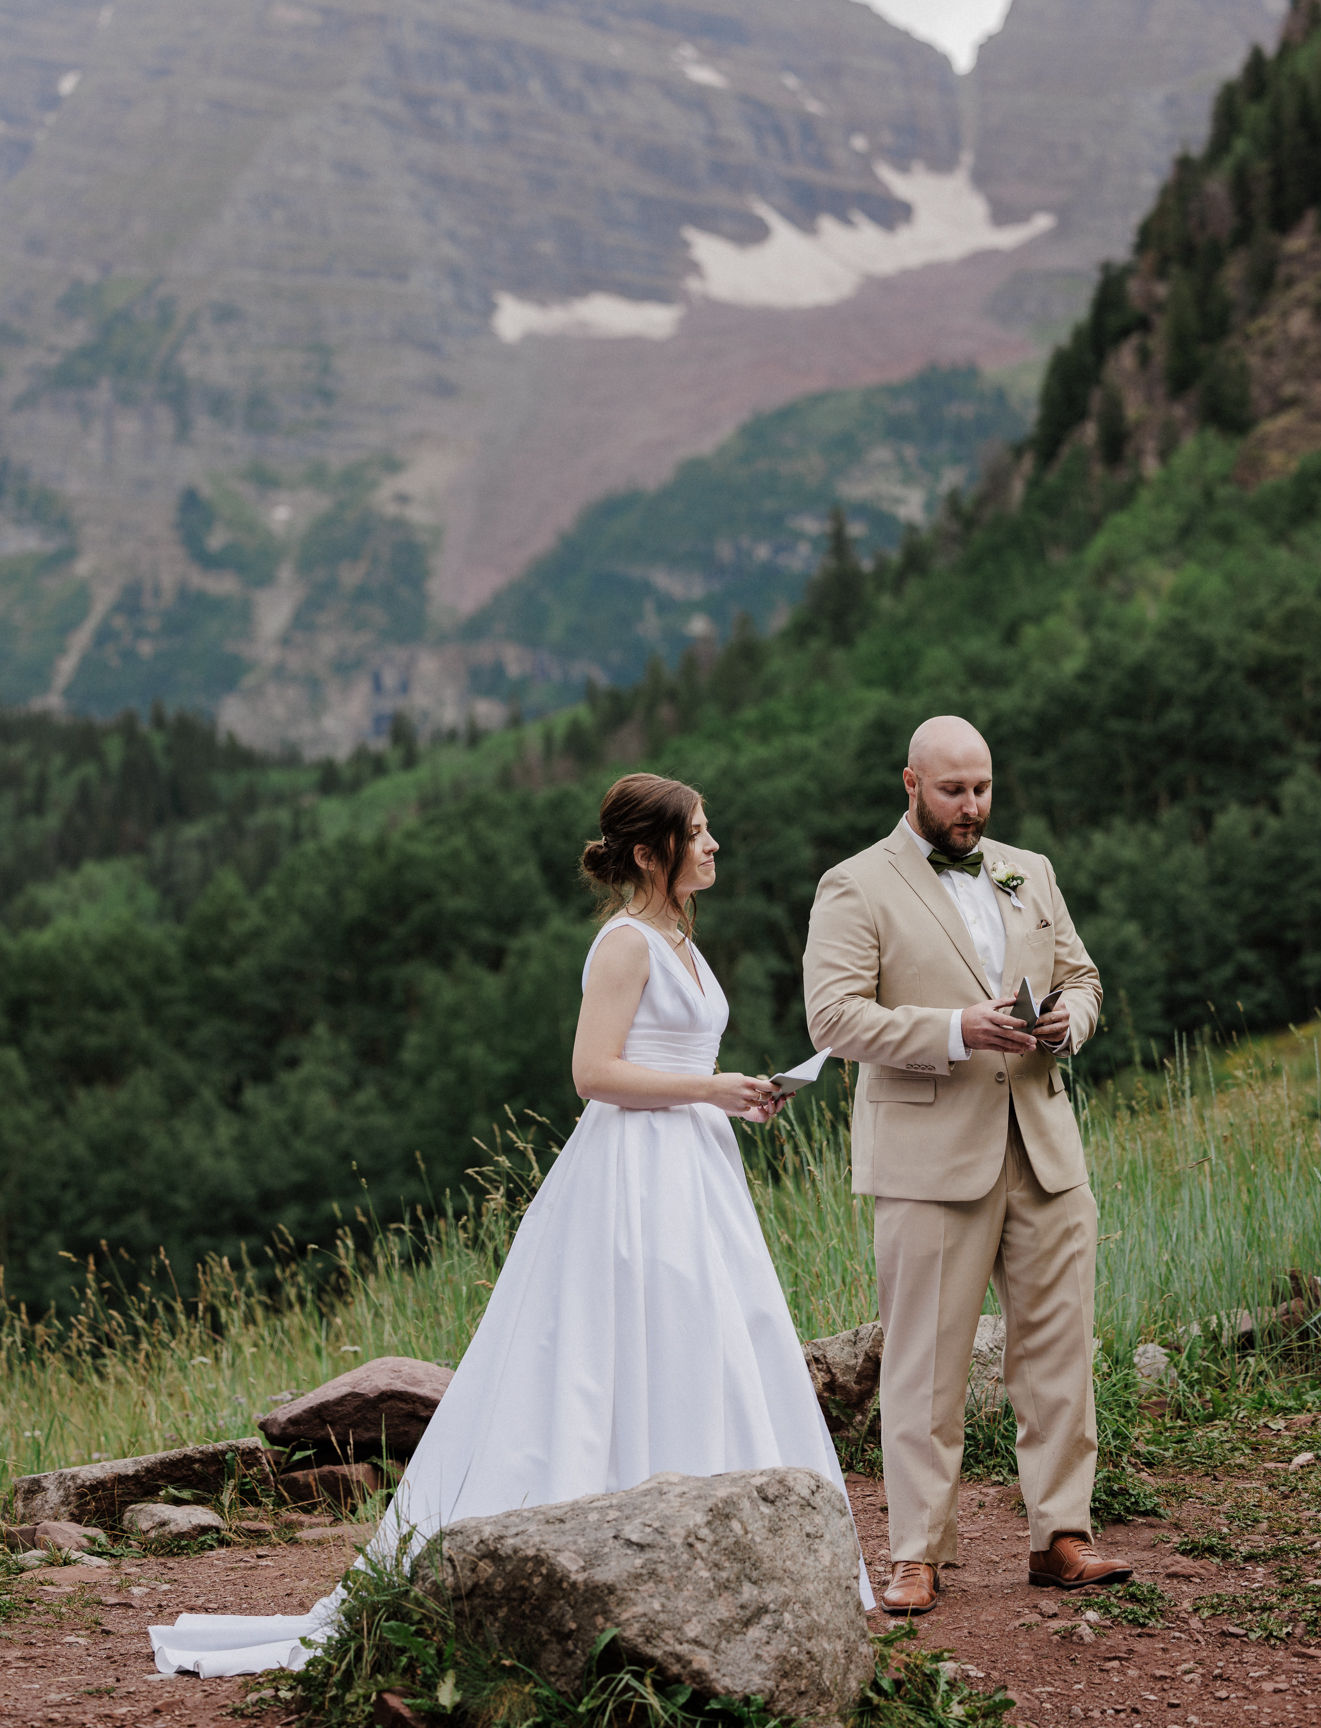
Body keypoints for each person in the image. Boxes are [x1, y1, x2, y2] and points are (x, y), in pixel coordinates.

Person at [151, 770, 872, 1677]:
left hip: (694, 1165)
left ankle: (722, 1548)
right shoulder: (623, 944)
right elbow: (593, 1073)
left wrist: (736, 1098)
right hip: (633, 1175)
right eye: (698, 830)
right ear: (652, 853)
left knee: (712, 1336)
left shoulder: (680, 938)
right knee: (629, 1339)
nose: (715, 842)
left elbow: (676, 1055)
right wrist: (708, 1088)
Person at [803, 715, 1132, 1616]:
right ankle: (915, 1552)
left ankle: (1062, 1534)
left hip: (1044, 1146)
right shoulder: (855, 884)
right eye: (953, 790)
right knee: (925, 1362)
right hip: (928, 1159)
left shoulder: (1032, 871)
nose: (973, 806)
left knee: (1059, 1350)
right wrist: (954, 1030)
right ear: (909, 783)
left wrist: (1073, 1019)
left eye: (983, 788)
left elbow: (1085, 977)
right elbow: (832, 1019)